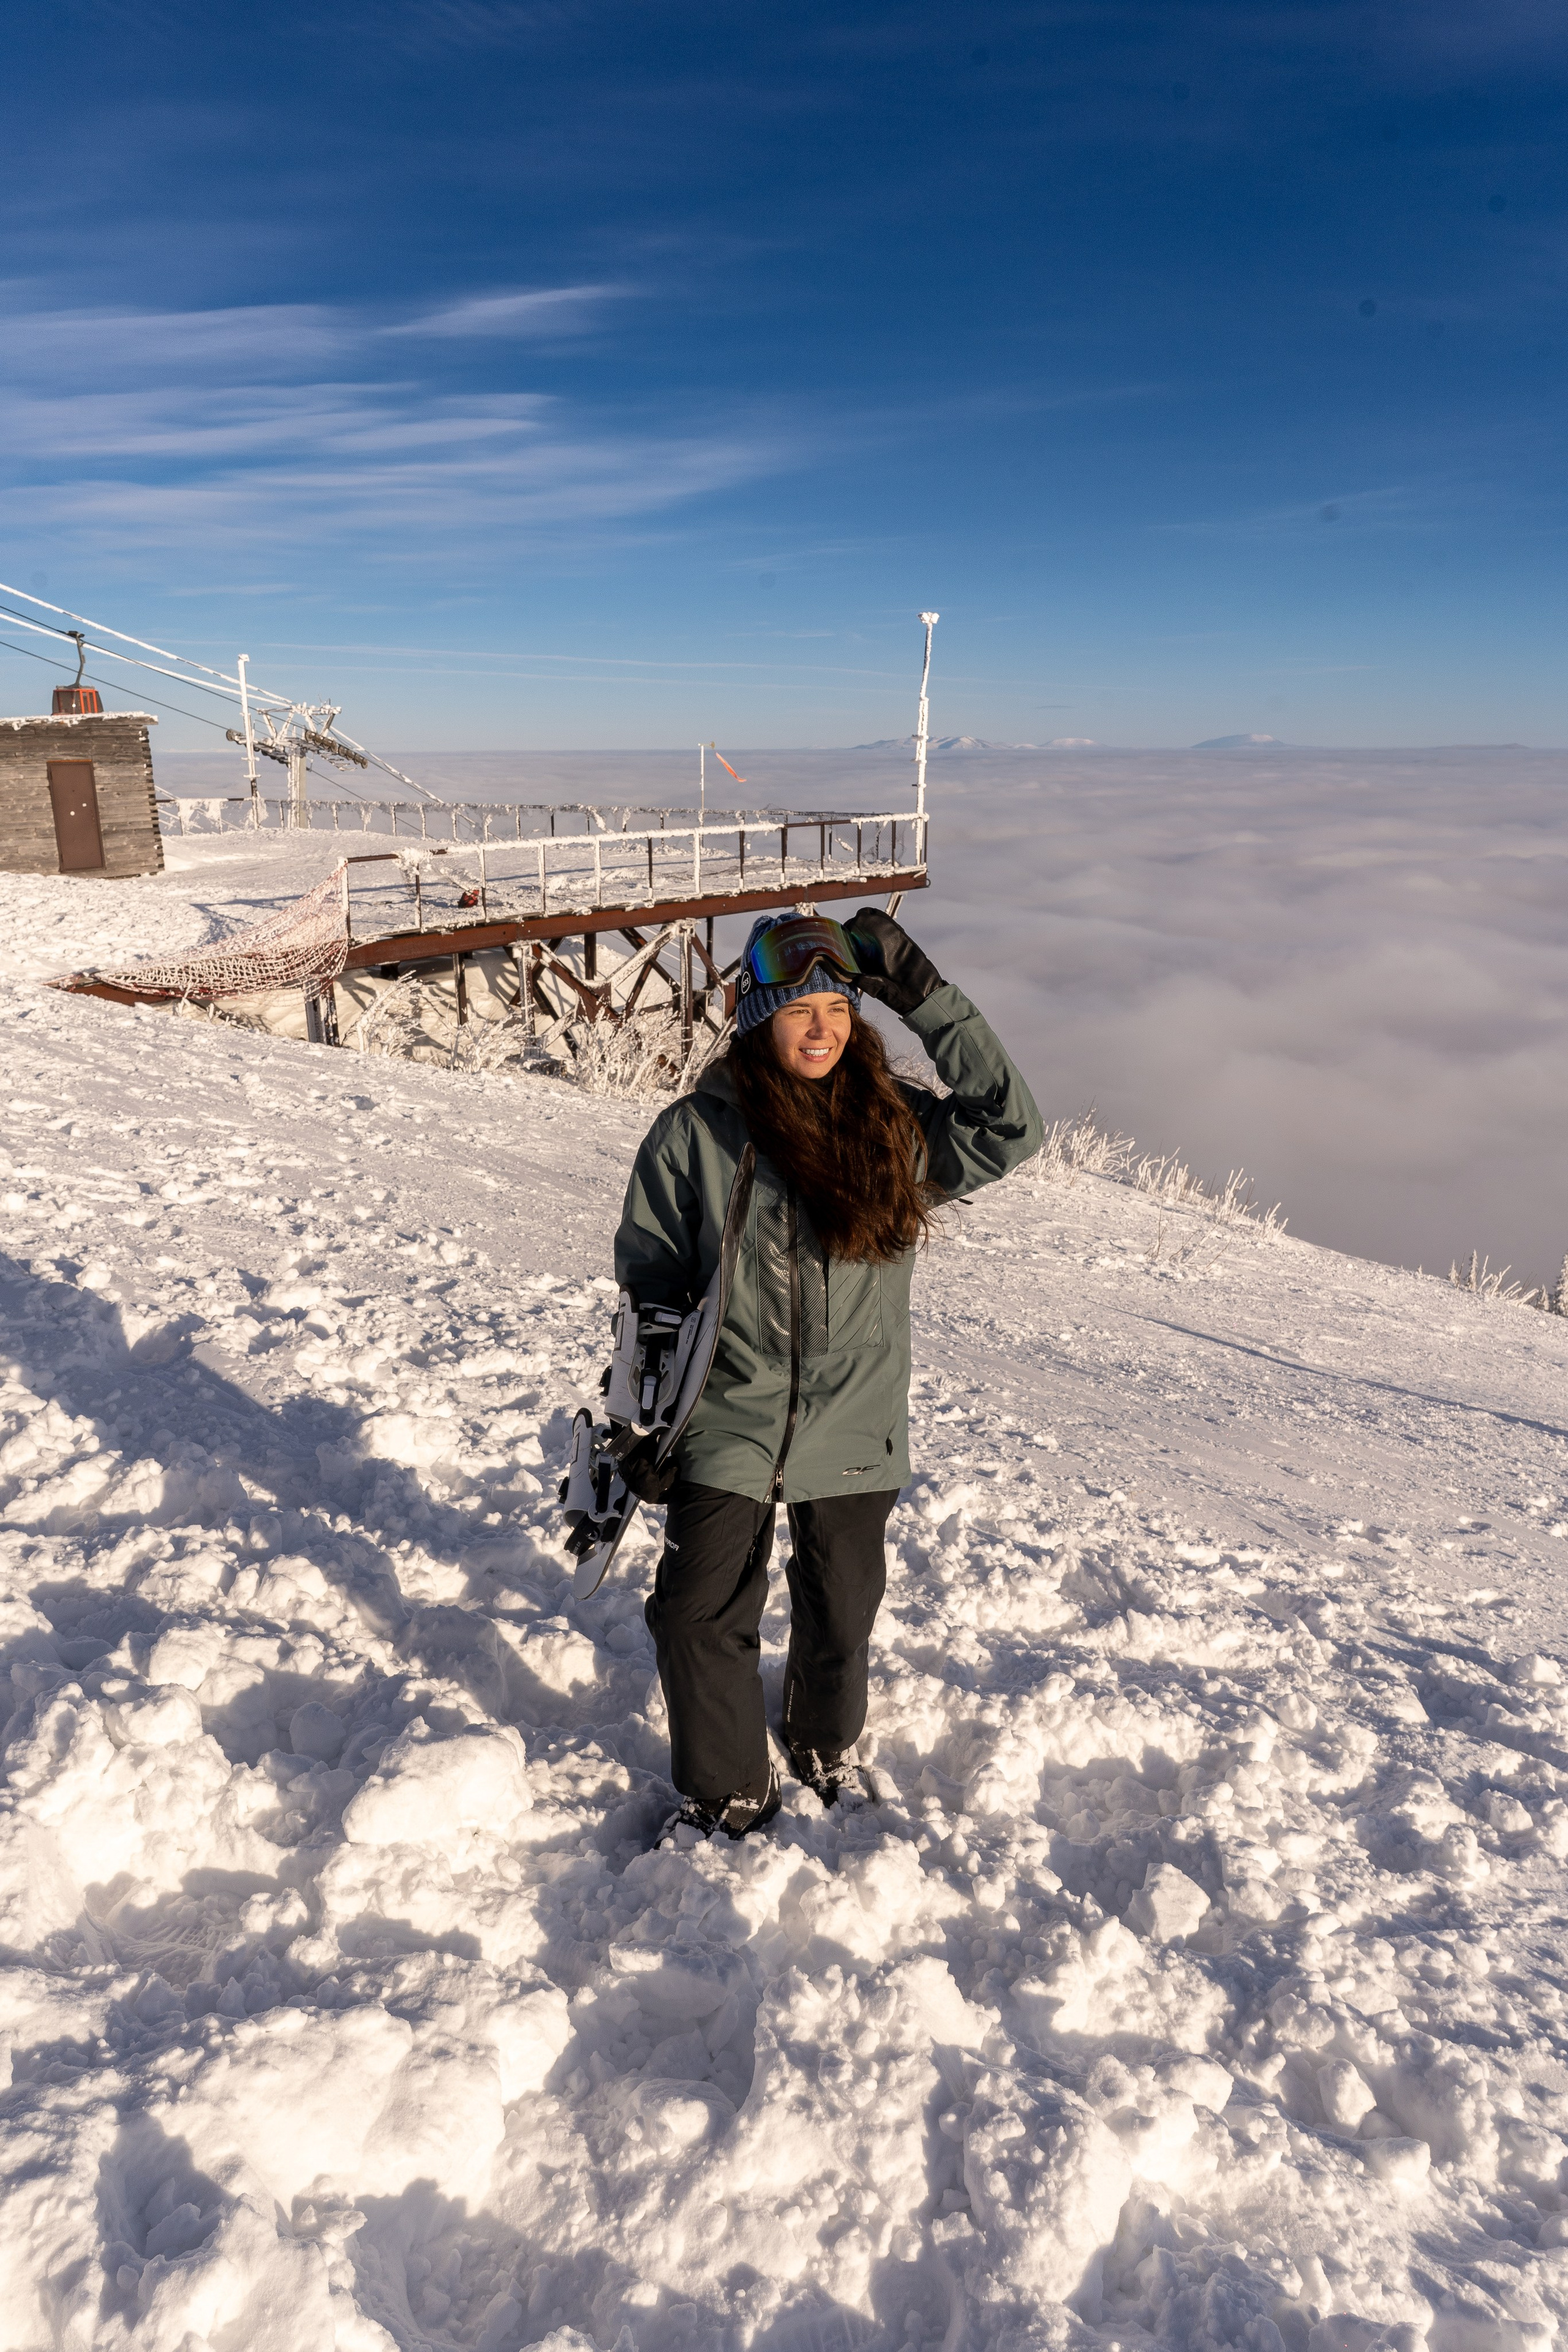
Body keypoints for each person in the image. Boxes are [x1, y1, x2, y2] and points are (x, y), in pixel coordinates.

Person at [613, 907, 1042, 1838]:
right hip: (728, 1412)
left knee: (841, 1613)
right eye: (799, 1008)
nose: (822, 1028)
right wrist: (640, 1420)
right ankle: (731, 1792)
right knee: (693, 1615)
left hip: (855, 1418)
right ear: (758, 1015)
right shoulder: (698, 1134)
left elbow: (1013, 1129)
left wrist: (928, 999)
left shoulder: (894, 1131)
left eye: (840, 1009)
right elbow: (652, 1280)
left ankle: (820, 1741)